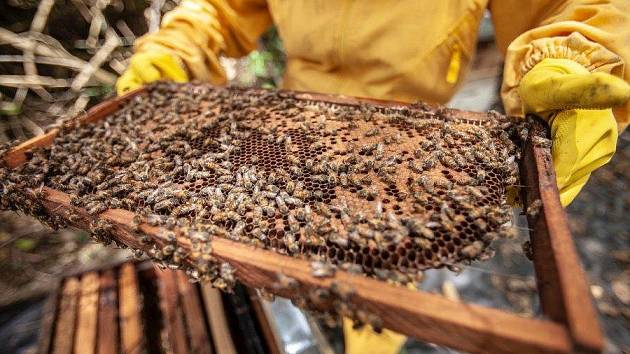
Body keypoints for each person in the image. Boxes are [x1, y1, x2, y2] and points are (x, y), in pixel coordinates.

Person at [116, 1, 630, 353]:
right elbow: (222, 7)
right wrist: (179, 47)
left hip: (405, 144)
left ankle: (371, 335)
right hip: (290, 130)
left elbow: (570, 5)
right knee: (271, 251)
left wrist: (574, 51)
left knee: (382, 274)